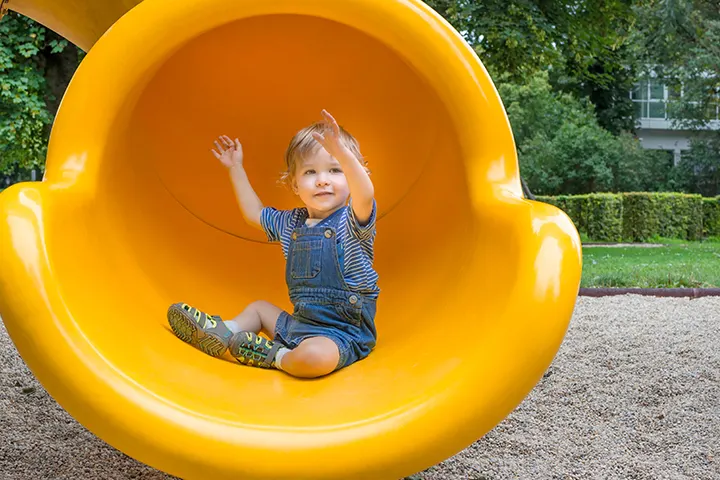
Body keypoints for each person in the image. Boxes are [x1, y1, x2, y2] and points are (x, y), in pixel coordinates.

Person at [167, 110, 380, 378]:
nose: (323, 179)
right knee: (258, 308)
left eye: (335, 170)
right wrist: (236, 168)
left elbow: (366, 193)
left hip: (343, 334)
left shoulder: (352, 220)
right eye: (310, 172)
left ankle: (274, 355)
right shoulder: (291, 223)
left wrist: (345, 155)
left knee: (314, 359)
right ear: (294, 184)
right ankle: (225, 332)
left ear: (352, 176)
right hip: (300, 325)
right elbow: (253, 213)